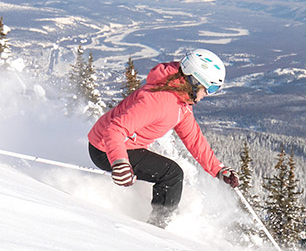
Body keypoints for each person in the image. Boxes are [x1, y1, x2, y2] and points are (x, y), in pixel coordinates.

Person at [87, 48, 239, 228]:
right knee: (171, 175)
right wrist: (120, 162)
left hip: (122, 145)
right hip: (105, 149)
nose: (207, 94)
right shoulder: (160, 101)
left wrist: (218, 169)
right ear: (194, 80)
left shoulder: (179, 100)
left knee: (169, 172)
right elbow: (115, 129)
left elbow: (193, 139)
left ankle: (158, 220)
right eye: (210, 88)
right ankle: (157, 227)